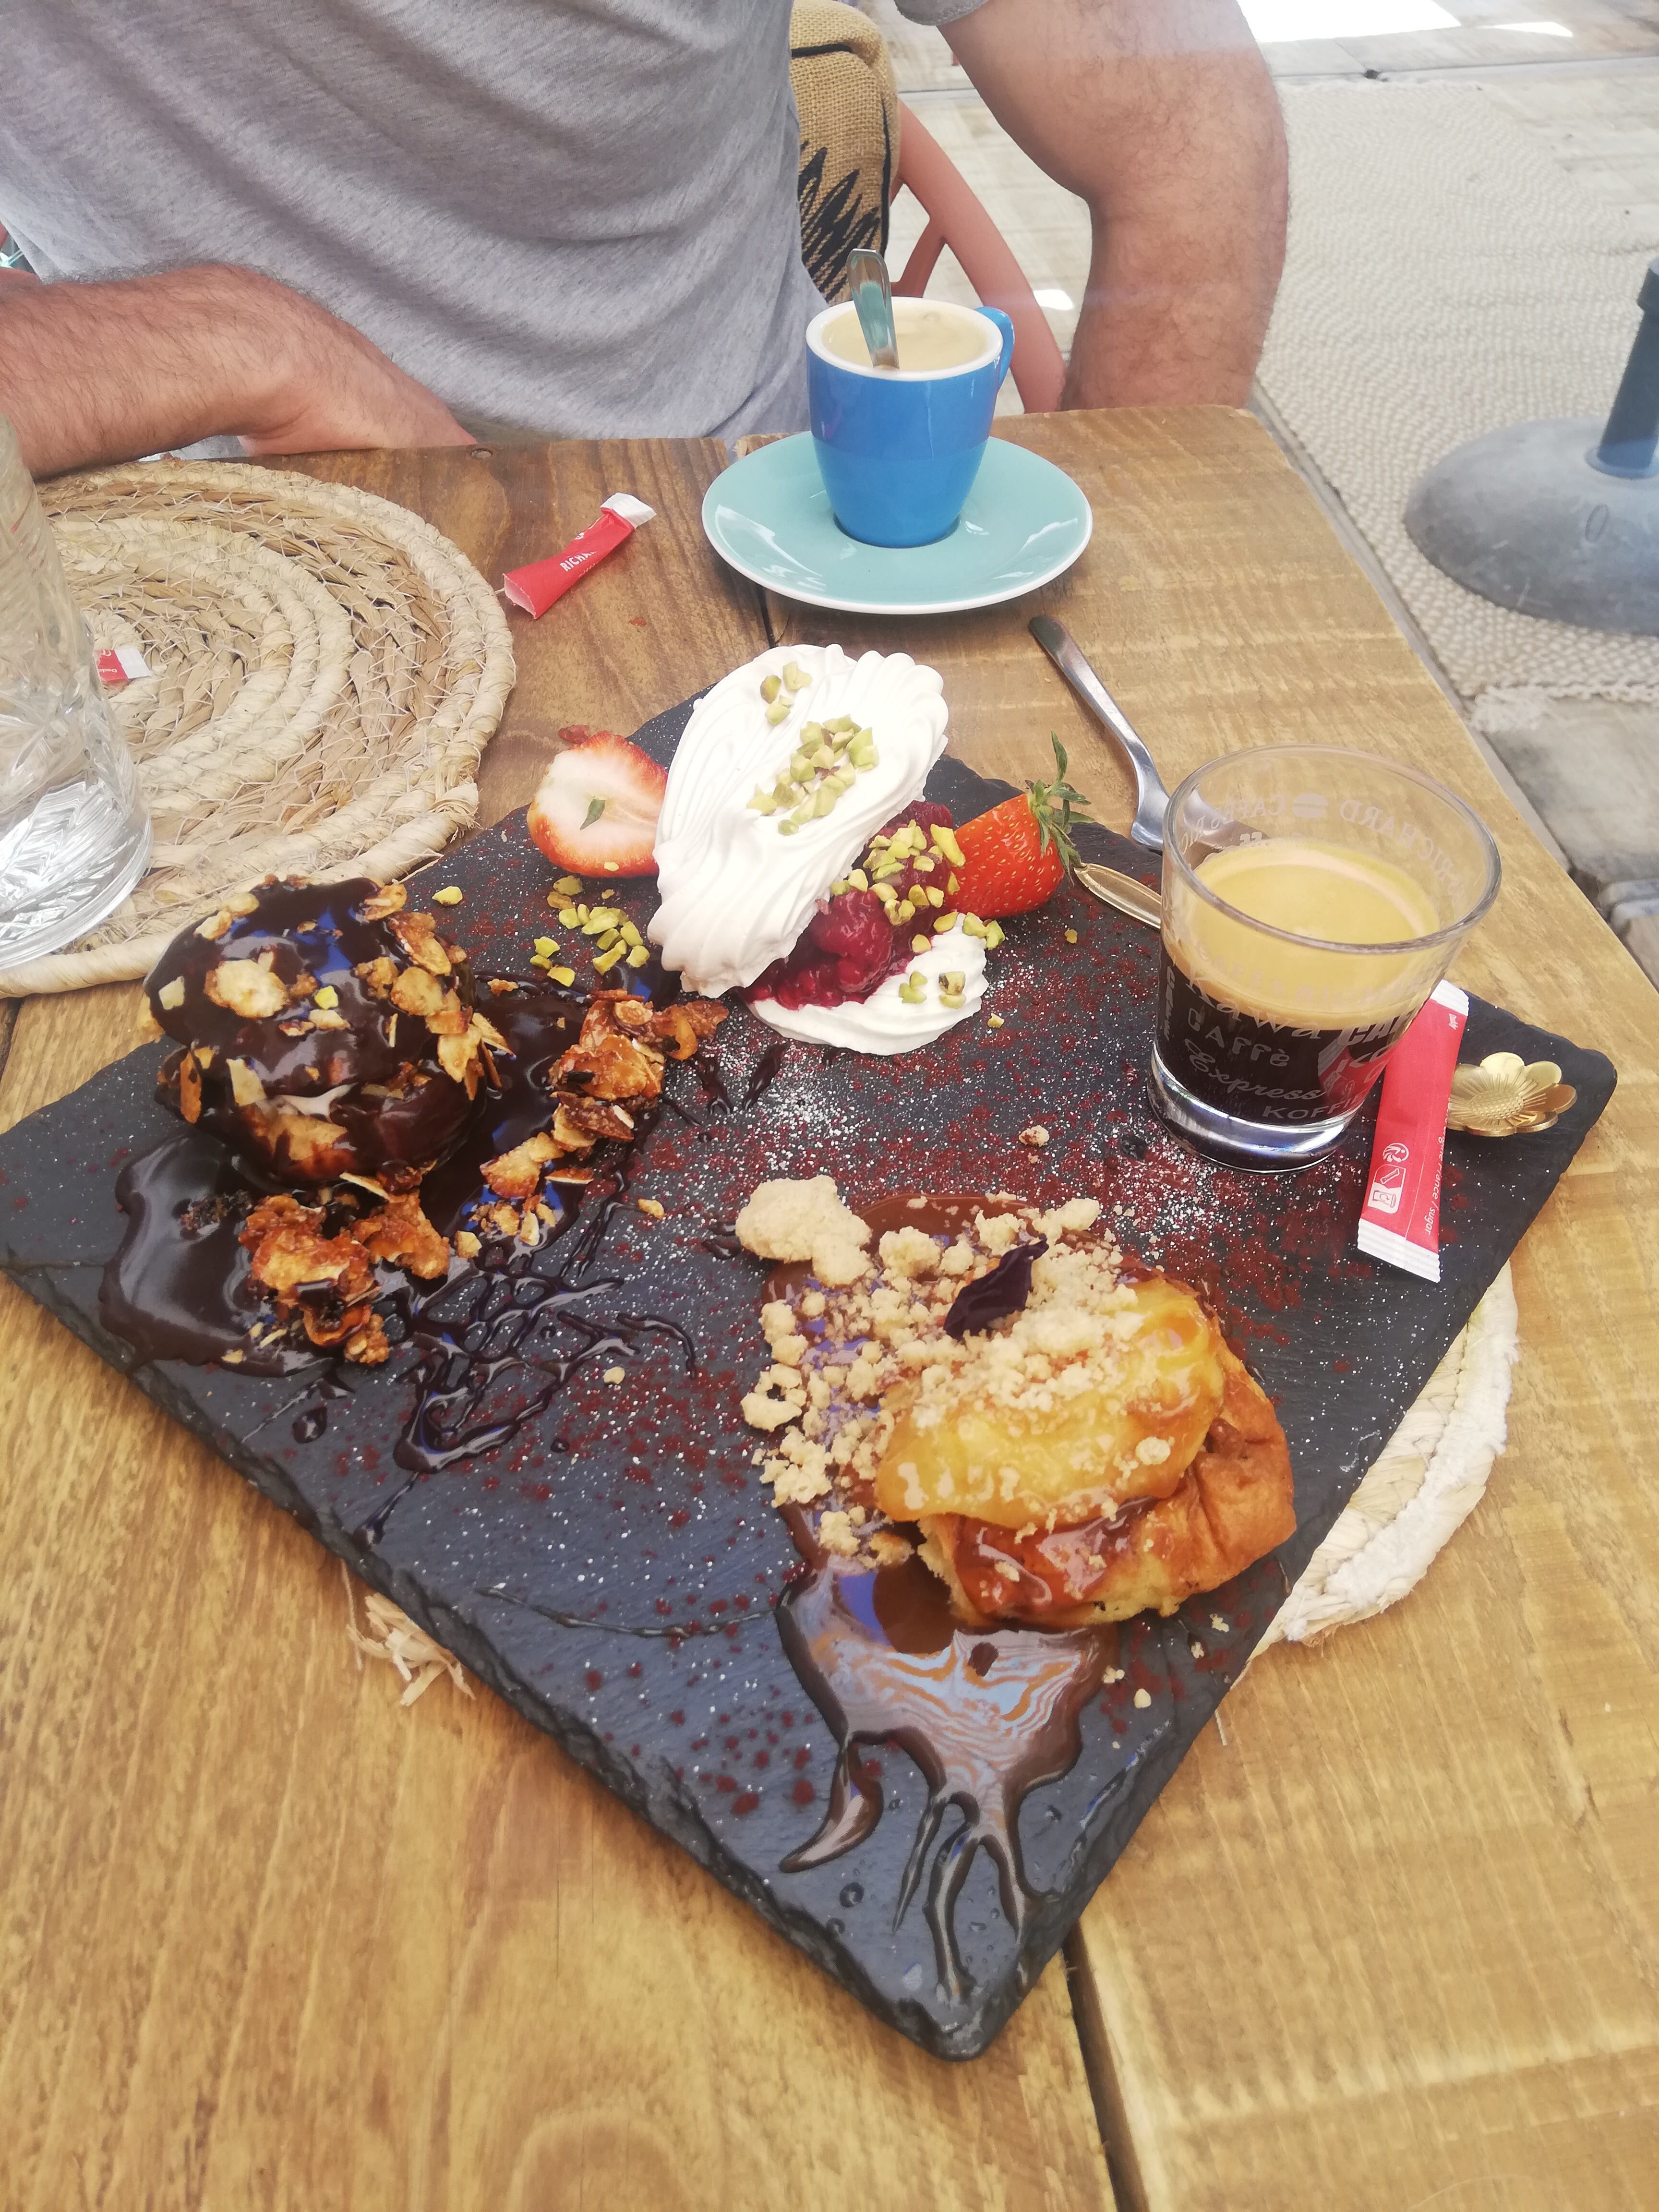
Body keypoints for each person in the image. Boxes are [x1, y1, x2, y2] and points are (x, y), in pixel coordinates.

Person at [0, 0, 1286, 479]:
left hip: (740, 511)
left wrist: (1134, 615)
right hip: (187, 572)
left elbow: (1186, 135)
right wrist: (231, 342)